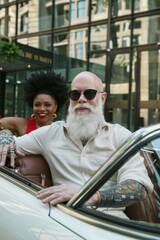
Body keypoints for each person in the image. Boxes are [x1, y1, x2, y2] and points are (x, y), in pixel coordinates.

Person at [0, 71, 153, 218]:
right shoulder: (49, 134)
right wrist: (5, 135)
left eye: (89, 93)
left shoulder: (121, 136)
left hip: (112, 222)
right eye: (75, 94)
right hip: (66, 220)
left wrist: (85, 196)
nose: (81, 99)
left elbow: (137, 187)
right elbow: (9, 143)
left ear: (103, 98)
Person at [0, 71, 68, 136]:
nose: (42, 108)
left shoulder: (60, 130)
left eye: (47, 105)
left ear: (55, 107)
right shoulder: (22, 124)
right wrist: (5, 134)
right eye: (37, 105)